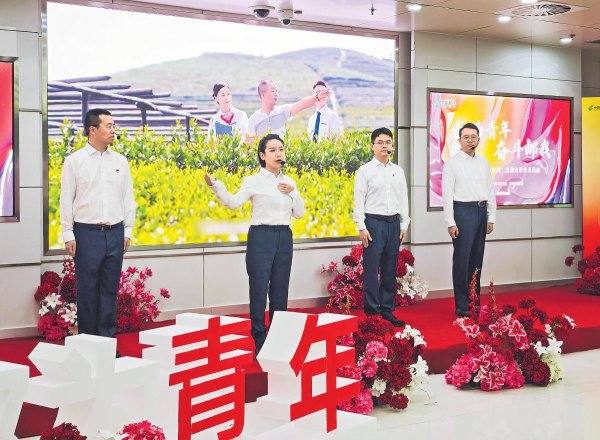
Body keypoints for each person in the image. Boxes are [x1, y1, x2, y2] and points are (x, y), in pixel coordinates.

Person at [204, 133, 305, 354]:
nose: (278, 154)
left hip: (284, 236)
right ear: (262, 155)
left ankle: (279, 337)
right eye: (273, 150)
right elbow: (233, 203)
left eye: (281, 149)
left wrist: (294, 192)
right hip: (261, 236)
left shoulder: (289, 182)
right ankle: (259, 337)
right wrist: (216, 186)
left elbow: (299, 213)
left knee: (280, 290)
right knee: (259, 289)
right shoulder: (253, 181)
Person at [60, 108, 136, 339]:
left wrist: (127, 231)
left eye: (114, 126)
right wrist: (68, 233)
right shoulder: (74, 162)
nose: (113, 130)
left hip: (115, 233)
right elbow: (66, 199)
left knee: (109, 291)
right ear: (93, 130)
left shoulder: (120, 161)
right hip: (86, 234)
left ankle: (107, 344)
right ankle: (88, 343)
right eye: (109, 126)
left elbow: (128, 198)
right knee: (87, 291)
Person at [353, 127, 409, 327]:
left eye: (388, 142)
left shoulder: (398, 171)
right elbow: (358, 199)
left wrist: (404, 224)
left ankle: (387, 309)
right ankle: (372, 312)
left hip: (394, 223)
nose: (385, 146)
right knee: (371, 268)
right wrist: (361, 226)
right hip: (373, 224)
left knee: (389, 269)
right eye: (380, 142)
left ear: (392, 145)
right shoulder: (365, 171)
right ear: (372, 146)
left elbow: (403, 199)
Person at [442, 122, 496, 317]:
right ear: (459, 140)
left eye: (473, 137)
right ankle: (462, 305)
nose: (470, 140)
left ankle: (474, 302)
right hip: (462, 213)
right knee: (462, 260)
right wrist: (450, 222)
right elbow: (447, 195)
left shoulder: (483, 162)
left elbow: (490, 190)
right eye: (466, 137)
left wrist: (491, 217)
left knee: (476, 260)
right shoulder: (452, 164)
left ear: (479, 140)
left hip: (481, 212)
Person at [247, 79, 331, 140]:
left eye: (277, 91)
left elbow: (301, 104)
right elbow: (250, 146)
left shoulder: (282, 111)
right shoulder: (253, 120)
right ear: (263, 94)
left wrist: (317, 97)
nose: (276, 94)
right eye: (273, 91)